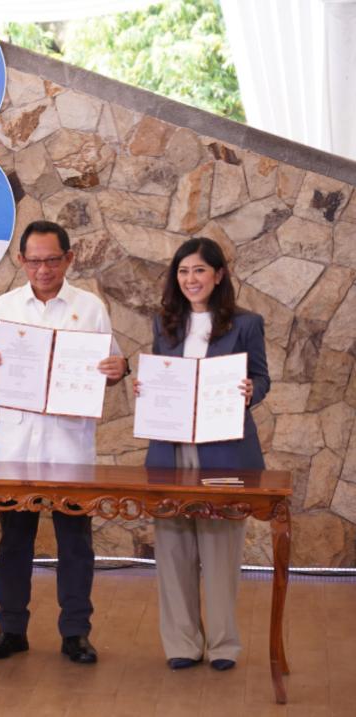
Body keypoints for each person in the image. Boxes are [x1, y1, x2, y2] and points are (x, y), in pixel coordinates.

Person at [0, 220, 128, 664]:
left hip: (69, 446)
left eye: (53, 260)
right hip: (17, 446)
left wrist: (117, 370)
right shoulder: (3, 308)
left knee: (75, 543)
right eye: (35, 261)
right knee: (13, 542)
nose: (43, 270)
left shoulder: (90, 308)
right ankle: (11, 629)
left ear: (69, 259)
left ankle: (76, 633)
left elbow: (111, 369)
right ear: (21, 260)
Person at [137, 237, 269, 672]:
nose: (190, 279)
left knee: (220, 550)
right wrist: (146, 388)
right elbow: (164, 376)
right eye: (183, 271)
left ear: (218, 275)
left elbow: (261, 378)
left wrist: (251, 391)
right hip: (170, 449)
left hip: (224, 449)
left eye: (199, 270)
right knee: (172, 546)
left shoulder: (246, 324)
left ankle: (223, 645)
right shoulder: (165, 323)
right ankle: (182, 643)